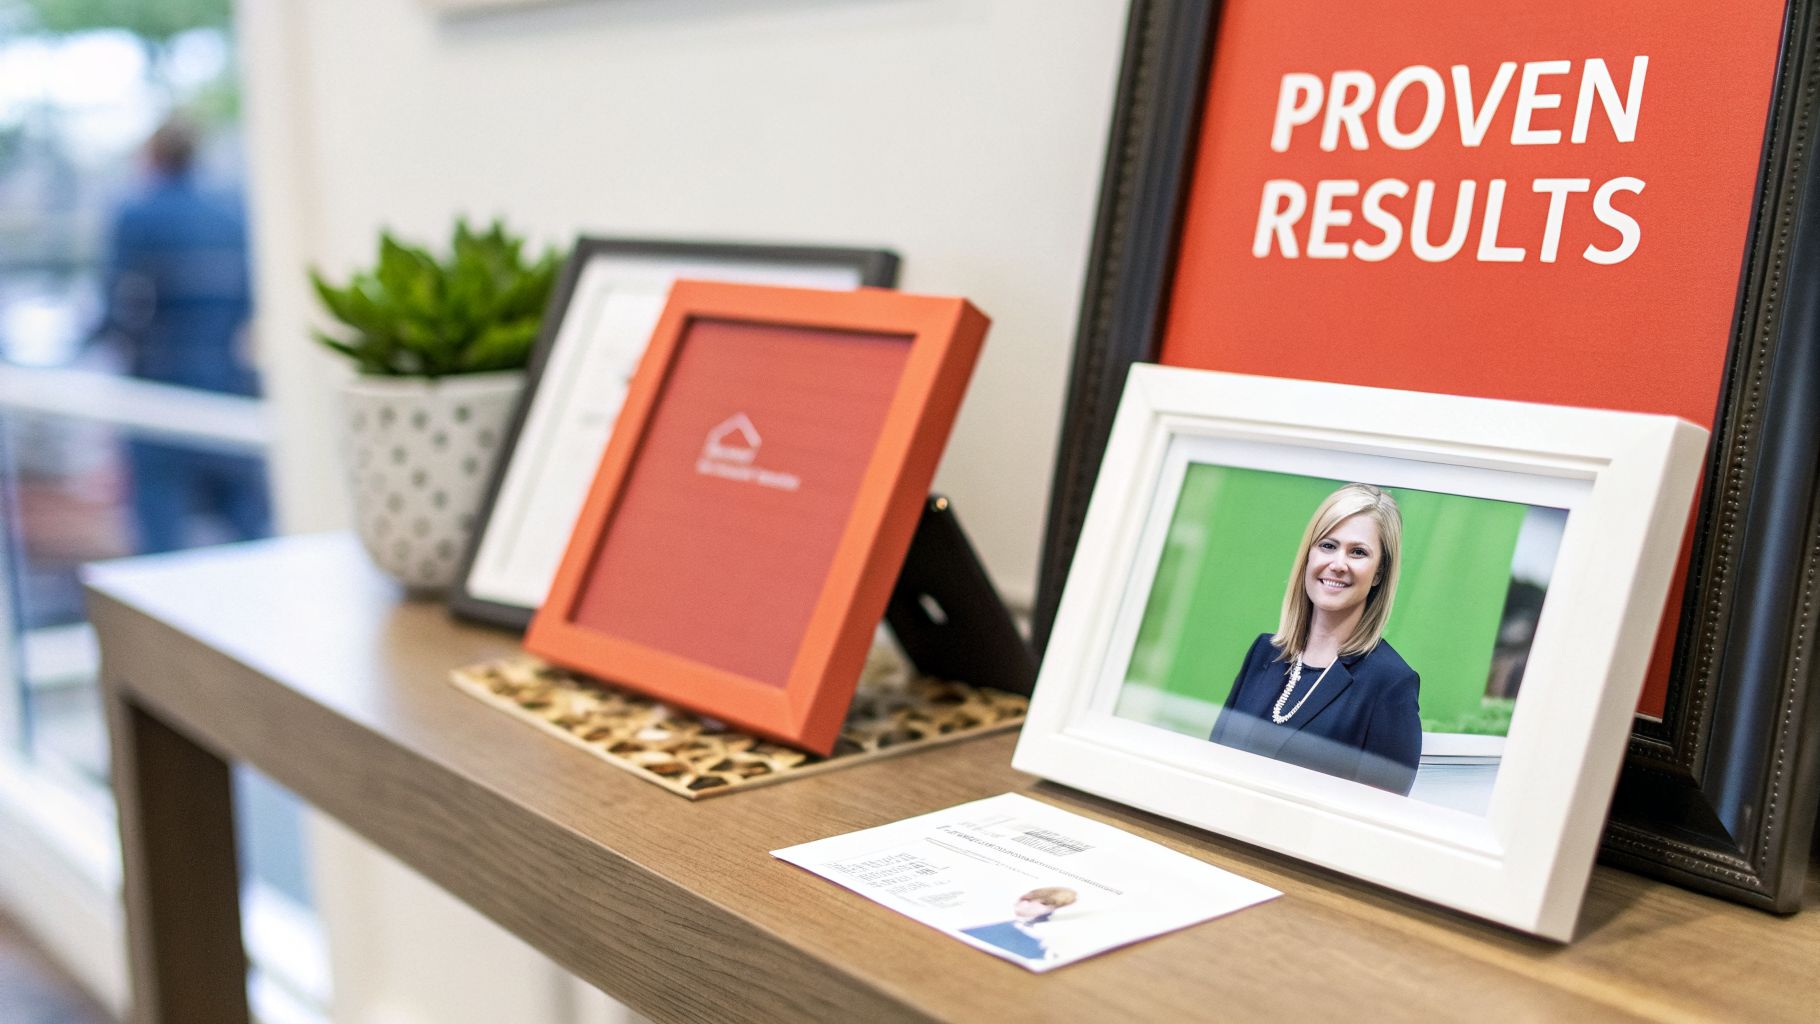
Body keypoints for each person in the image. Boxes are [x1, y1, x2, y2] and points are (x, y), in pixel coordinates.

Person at [101, 115, 270, 553]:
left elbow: (119, 305)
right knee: (248, 522)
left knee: (160, 530)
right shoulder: (230, 213)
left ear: (153, 157)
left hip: (159, 389)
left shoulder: (137, 215)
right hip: (227, 381)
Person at [1208, 483, 1422, 795]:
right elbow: (1211, 765)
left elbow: (1376, 826)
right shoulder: (1263, 653)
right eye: (1328, 545)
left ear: (1378, 574)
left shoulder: (1390, 685)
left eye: (1358, 552)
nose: (1338, 563)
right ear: (1308, 554)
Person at [960, 886, 1078, 961]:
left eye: (1056, 907)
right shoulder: (989, 921)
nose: (1049, 911)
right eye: (1046, 904)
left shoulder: (1039, 940)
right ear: (1025, 899)